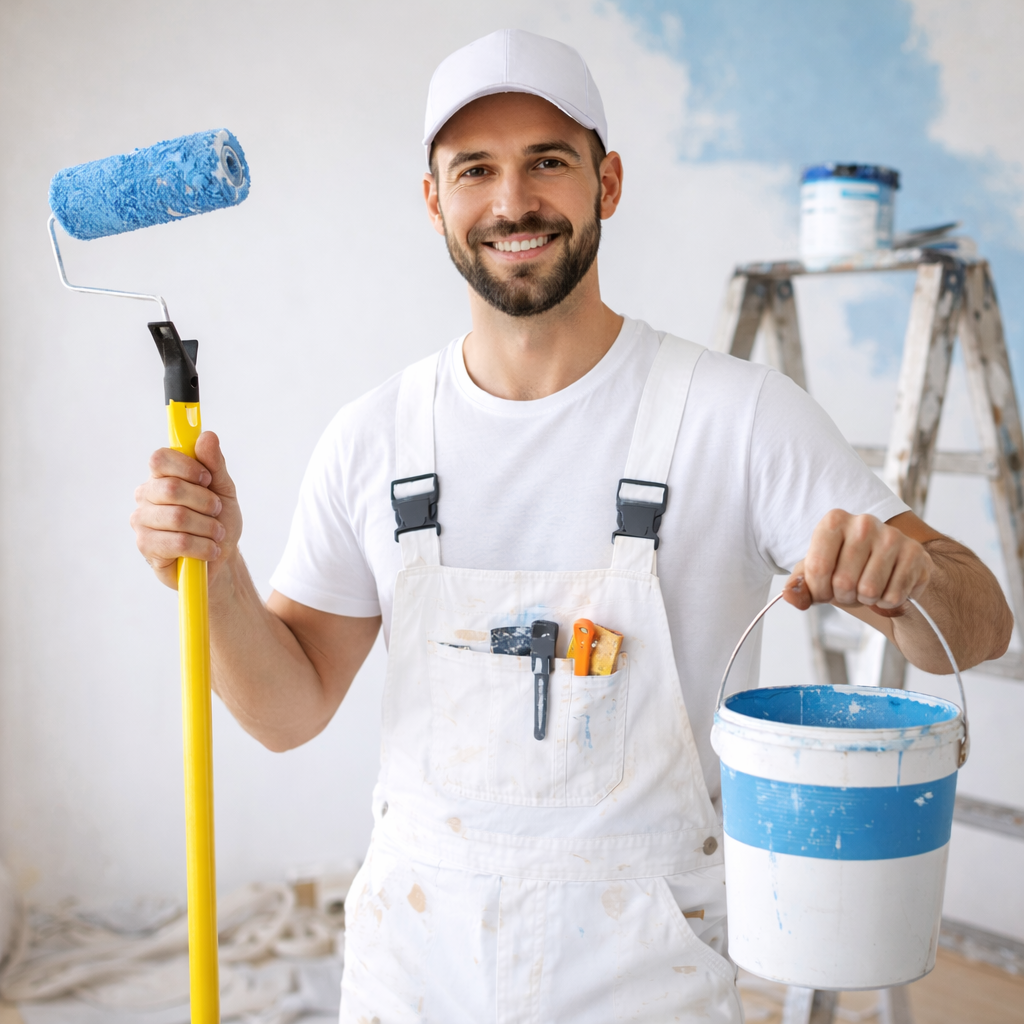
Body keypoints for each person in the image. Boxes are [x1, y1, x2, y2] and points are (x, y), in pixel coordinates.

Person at [131, 28, 1011, 1024]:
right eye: (476, 169)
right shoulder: (372, 437)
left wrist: (908, 582)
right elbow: (285, 713)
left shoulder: (737, 417)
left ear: (608, 183)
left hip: (647, 984)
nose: (513, 203)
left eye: (547, 161)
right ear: (434, 200)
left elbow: (982, 623)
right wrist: (217, 576)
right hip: (413, 973)